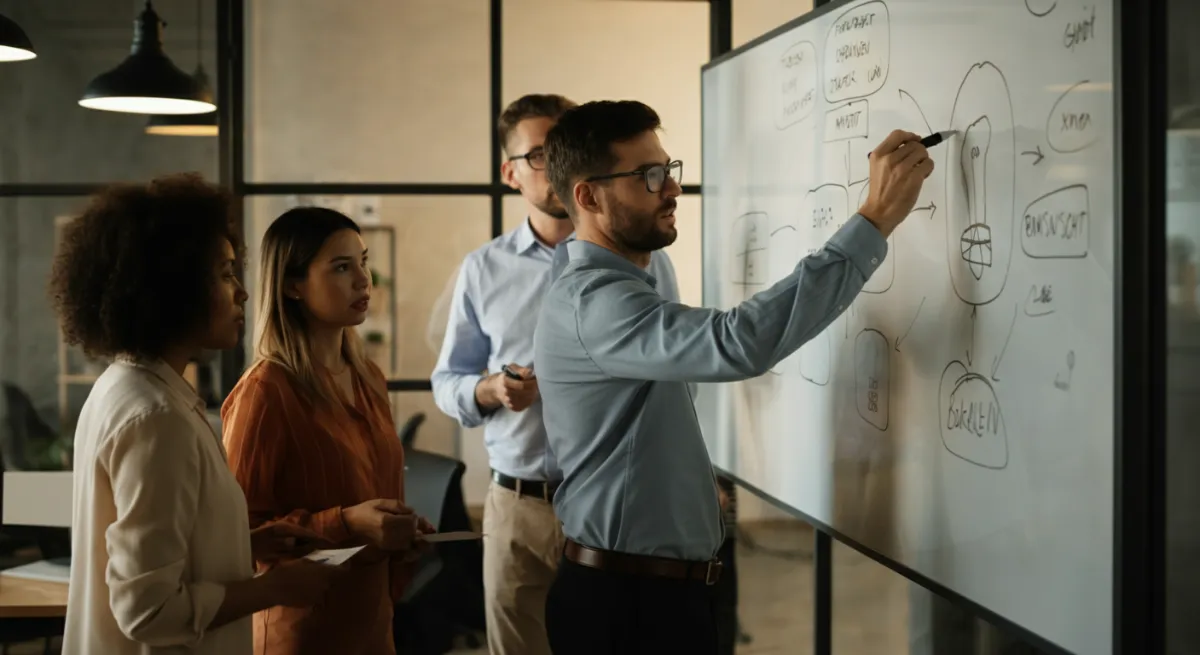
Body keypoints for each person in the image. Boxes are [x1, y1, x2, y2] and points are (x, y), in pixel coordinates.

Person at [535, 100, 933, 653]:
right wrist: (874, 220)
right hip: (626, 607)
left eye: (668, 170)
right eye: (649, 176)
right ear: (589, 195)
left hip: (655, 594)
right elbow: (735, 343)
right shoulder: (594, 302)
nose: (671, 189)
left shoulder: (623, 287)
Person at [431, 93, 683, 655]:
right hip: (518, 507)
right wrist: (489, 389)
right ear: (510, 172)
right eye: (539, 153)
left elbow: (669, 374)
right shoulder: (482, 270)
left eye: (561, 149)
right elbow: (447, 380)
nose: (554, 165)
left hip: (612, 508)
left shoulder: (643, 258)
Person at [54, 174, 339, 655]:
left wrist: (246, 545)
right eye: (226, 274)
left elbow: (158, 554)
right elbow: (148, 610)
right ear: (174, 286)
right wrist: (275, 590)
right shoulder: (154, 417)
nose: (243, 293)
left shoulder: (123, 387)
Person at [222, 206, 435, 655]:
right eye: (342, 267)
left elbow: (375, 489)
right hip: (301, 632)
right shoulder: (266, 392)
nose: (364, 280)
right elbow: (236, 534)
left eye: (363, 261)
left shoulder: (368, 378)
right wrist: (346, 522)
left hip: (374, 622)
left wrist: (400, 532)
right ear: (291, 285)